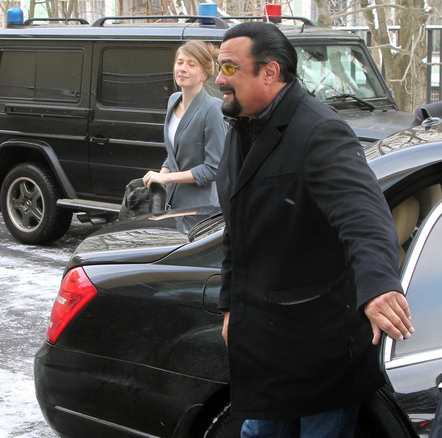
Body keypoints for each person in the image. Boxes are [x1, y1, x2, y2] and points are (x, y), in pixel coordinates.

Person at [214, 22, 414, 437]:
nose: (219, 79)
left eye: (230, 68)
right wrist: (232, 304)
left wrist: (378, 285)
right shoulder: (242, 127)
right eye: (219, 67)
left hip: (319, 347)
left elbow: (362, 213)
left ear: (270, 72)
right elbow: (237, 229)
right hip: (267, 346)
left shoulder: (318, 130)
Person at [142, 40, 226, 211]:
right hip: (172, 202)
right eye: (179, 62)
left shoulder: (213, 109)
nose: (182, 68)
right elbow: (174, 154)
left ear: (204, 73)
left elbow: (213, 169)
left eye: (191, 64)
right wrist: (160, 176)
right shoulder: (173, 100)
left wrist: (167, 178)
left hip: (202, 208)